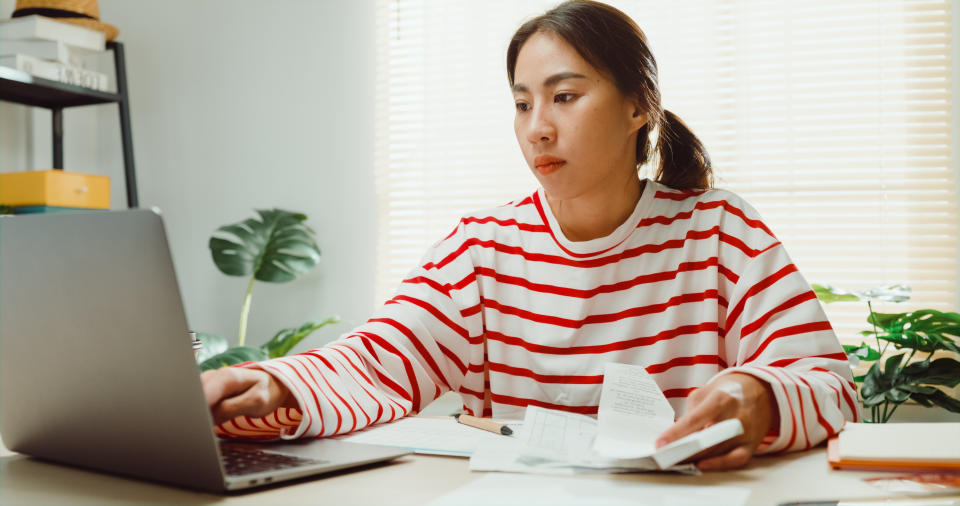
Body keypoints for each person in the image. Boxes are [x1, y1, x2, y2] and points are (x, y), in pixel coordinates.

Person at [201, 0, 859, 471]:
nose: (537, 127)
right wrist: (281, 385)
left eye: (564, 97)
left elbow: (830, 386)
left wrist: (759, 396)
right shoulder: (481, 249)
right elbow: (380, 358)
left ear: (639, 106)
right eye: (522, 103)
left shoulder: (720, 232)